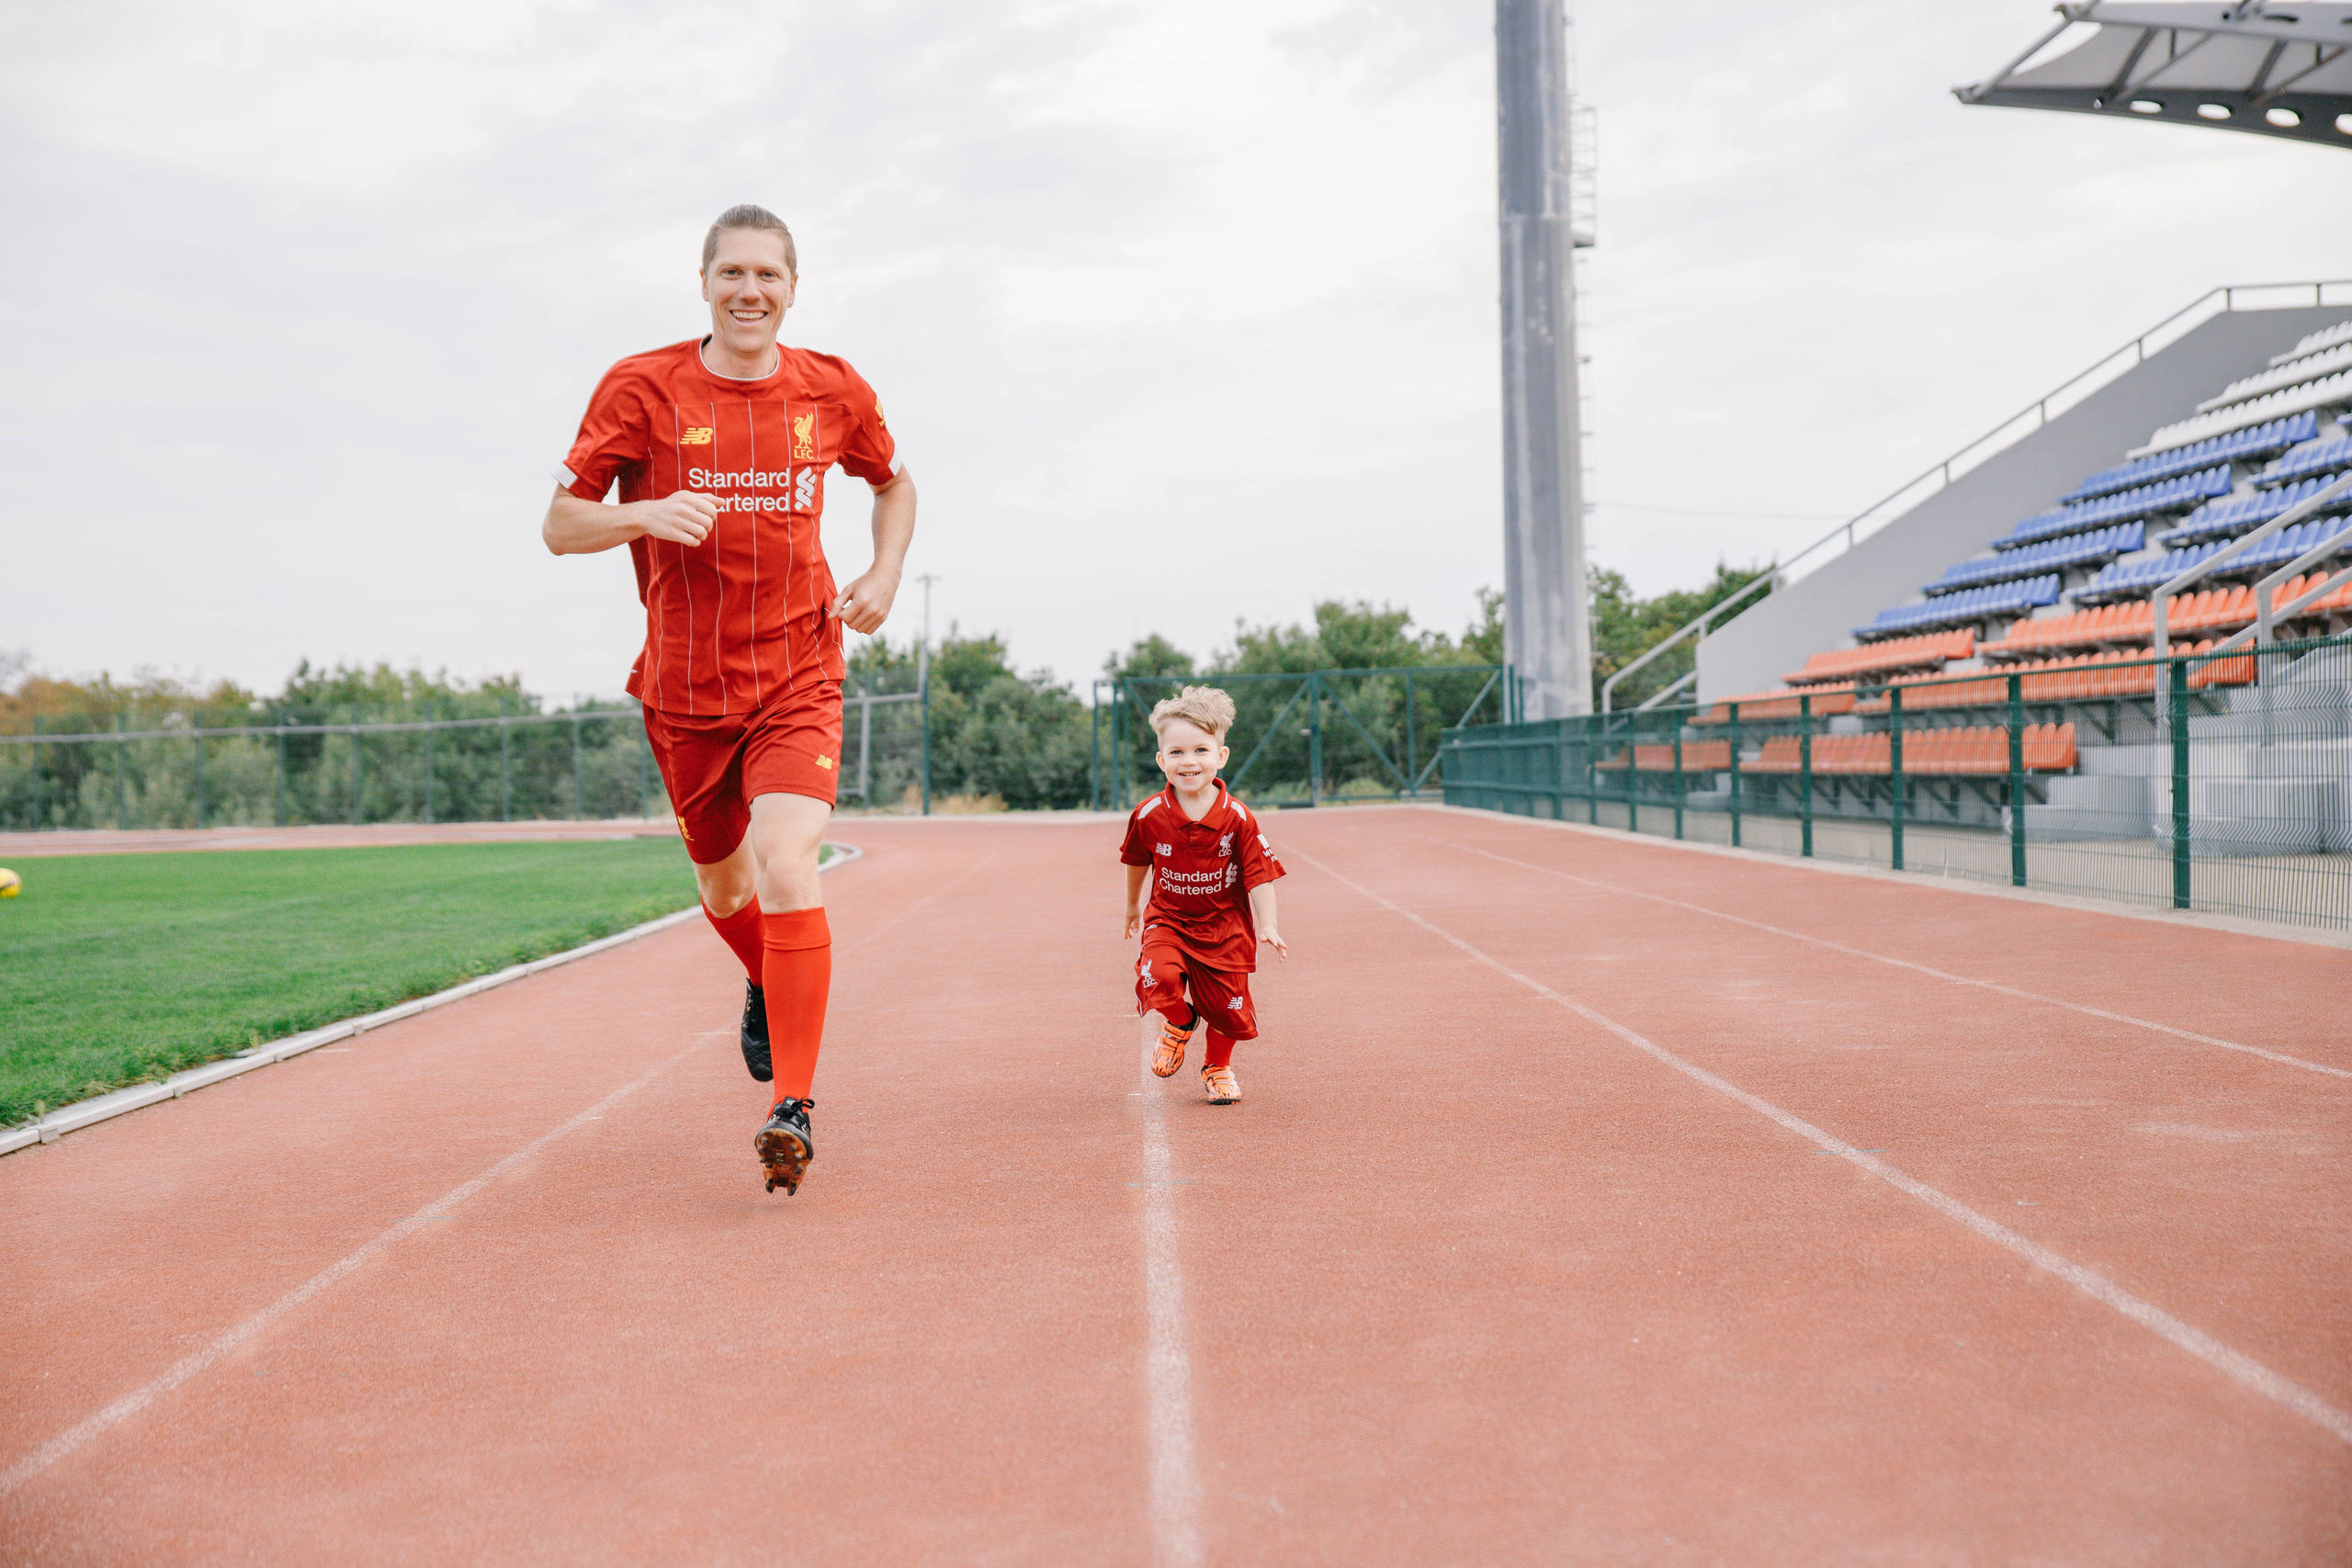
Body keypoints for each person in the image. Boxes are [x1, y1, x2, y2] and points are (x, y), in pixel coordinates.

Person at [541, 203, 915, 1195]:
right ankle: (763, 972)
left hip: (798, 670)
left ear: (793, 288)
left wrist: (882, 572)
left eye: (770, 275)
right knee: (726, 890)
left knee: (792, 864)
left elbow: (893, 482)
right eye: (733, 273)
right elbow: (558, 525)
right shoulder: (643, 386)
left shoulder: (831, 389)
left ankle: (790, 1104)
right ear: (703, 281)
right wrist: (645, 513)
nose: (751, 290)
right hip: (685, 688)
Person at [1120, 687, 1287, 1103]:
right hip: (1169, 921)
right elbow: (1137, 860)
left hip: (1224, 929)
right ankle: (1179, 1021)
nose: (1189, 762)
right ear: (1161, 761)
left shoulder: (1238, 817)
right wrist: (1131, 906)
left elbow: (1259, 874)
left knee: (1227, 1013)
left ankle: (1217, 1067)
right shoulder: (1147, 815)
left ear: (1221, 756)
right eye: (1176, 753)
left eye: (1200, 750)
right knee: (1156, 976)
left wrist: (1268, 924)